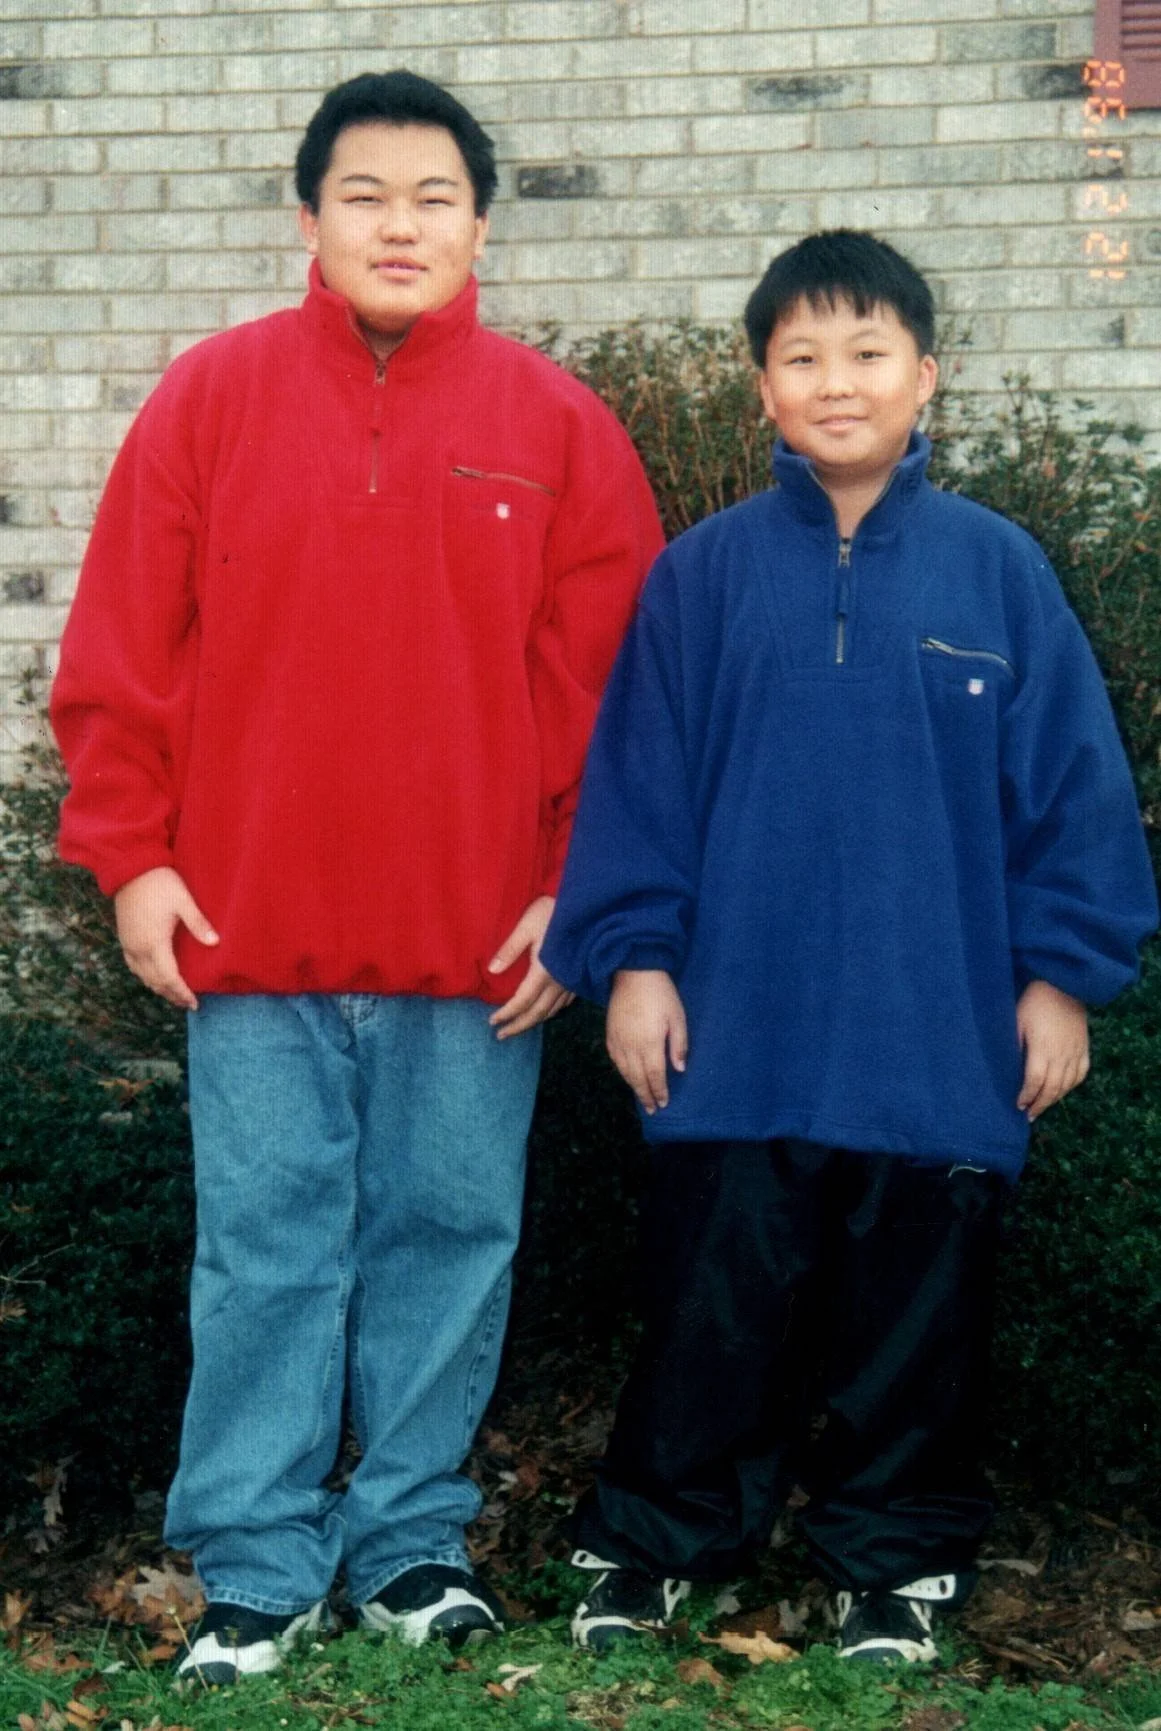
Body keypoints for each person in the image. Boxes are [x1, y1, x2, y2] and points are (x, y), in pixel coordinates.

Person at [51, 69, 662, 1682]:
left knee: (450, 1235)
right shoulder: (210, 401)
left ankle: (408, 1544)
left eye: (435, 198)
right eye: (367, 196)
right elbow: (123, 650)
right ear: (308, 217)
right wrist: (132, 860)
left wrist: (579, 886)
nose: (402, 225)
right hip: (247, 930)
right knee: (264, 1247)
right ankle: (256, 1565)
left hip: (480, 943)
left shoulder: (557, 427)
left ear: (480, 227)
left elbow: (620, 695)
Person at [541, 229, 1158, 1663]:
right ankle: (659, 1542)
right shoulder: (700, 578)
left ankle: (894, 1564)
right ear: (762, 385)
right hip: (733, 1027)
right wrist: (636, 960)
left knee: (914, 1323)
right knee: (713, 1308)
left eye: (868, 352)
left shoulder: (999, 572)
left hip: (935, 1029)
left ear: (926, 375)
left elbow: (1074, 792)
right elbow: (637, 785)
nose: (837, 382)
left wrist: (1062, 978)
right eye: (803, 356)